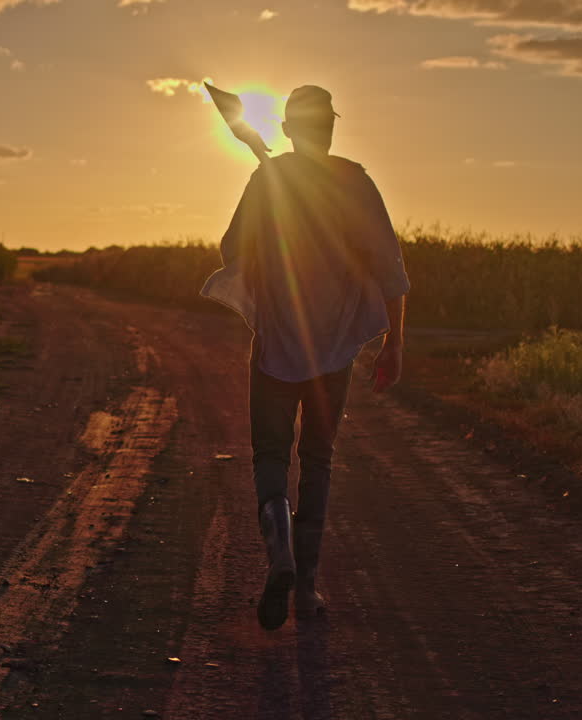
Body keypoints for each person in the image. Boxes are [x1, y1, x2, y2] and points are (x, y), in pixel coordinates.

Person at [200, 85, 411, 630]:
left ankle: (281, 558)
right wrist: (396, 342)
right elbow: (389, 267)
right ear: (330, 129)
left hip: (274, 343)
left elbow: (231, 250)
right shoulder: (356, 183)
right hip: (335, 348)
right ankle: (308, 588)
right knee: (317, 458)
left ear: (291, 131)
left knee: (270, 455)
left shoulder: (266, 178)